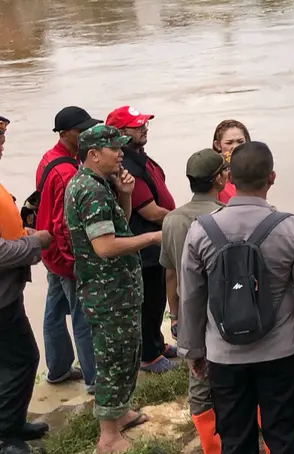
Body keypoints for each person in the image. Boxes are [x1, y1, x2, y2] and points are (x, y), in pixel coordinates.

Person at [179, 142, 294, 454]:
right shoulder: (291, 228)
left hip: (224, 356)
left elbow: (191, 297)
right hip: (282, 353)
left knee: (236, 441)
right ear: (272, 177)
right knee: (284, 439)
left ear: (228, 179)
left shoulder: (200, 230)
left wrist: (193, 349)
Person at [65, 125, 162, 454]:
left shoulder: (96, 183)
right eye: (114, 149)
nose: (121, 153)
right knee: (114, 359)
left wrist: (124, 194)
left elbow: (117, 223)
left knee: (126, 354)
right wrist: (153, 237)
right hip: (108, 292)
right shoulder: (89, 189)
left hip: (117, 289)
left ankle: (119, 413)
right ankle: (108, 436)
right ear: (93, 154)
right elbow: (105, 246)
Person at [160, 150, 229, 454]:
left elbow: (171, 275)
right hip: (227, 311)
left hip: (190, 313)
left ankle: (210, 447)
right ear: (219, 178)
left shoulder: (172, 220)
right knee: (237, 377)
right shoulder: (225, 215)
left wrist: (174, 316)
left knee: (199, 383)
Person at [106, 106, 177, 374]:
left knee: (157, 298)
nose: (143, 128)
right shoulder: (126, 167)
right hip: (143, 244)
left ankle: (157, 344)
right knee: (147, 302)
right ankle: (147, 355)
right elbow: (150, 210)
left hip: (156, 242)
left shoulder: (140, 157)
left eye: (144, 123)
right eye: (136, 126)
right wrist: (183, 222)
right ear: (120, 133)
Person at [0, 115, 54, 454]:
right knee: (22, 359)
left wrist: (24, 231)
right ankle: (6, 435)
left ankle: (12, 423)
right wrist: (37, 243)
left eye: (3, 135)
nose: (3, 142)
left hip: (7, 293)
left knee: (16, 359)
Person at [36, 107, 100, 392]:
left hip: (49, 253)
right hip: (65, 257)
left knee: (53, 310)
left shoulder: (48, 159)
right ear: (64, 134)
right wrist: (75, 262)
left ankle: (59, 368)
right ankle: (94, 379)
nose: (86, 134)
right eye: (81, 131)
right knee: (83, 315)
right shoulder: (66, 171)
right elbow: (64, 225)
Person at [212, 120, 250, 205]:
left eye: (240, 142)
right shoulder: (215, 181)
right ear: (217, 145)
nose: (236, 147)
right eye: (229, 143)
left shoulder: (256, 173)